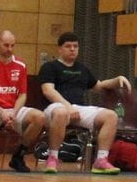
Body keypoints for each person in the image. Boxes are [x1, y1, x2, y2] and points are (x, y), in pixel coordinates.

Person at [37, 32, 129, 173]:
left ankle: (101, 160)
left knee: (111, 116)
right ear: (60, 49)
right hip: (55, 108)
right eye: (68, 46)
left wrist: (117, 80)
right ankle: (53, 157)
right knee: (61, 113)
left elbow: (99, 86)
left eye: (75, 46)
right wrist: (67, 107)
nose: (72, 49)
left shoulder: (82, 69)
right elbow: (48, 91)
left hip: (78, 108)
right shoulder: (49, 67)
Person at [0, 30, 46, 173]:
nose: (10, 49)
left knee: (40, 117)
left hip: (13, 108)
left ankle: (19, 155)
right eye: (6, 45)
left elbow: (22, 95)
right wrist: (2, 112)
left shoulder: (21, 65)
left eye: (12, 45)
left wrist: (13, 112)